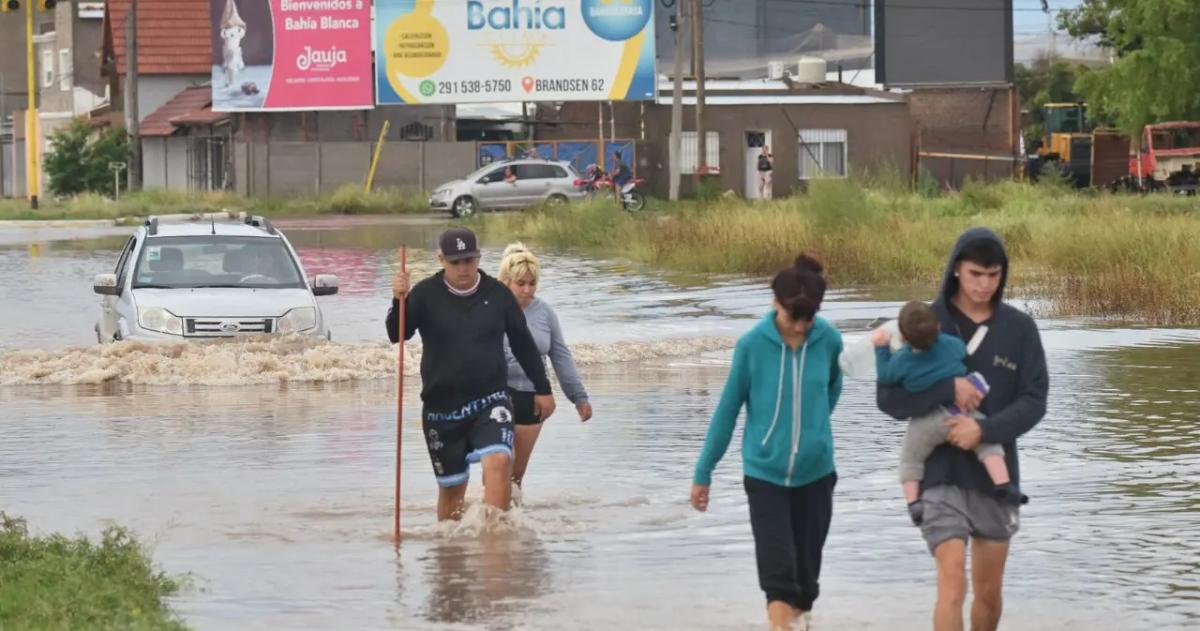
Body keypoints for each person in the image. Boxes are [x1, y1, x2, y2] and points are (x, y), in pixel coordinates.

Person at [876, 227, 1048, 631]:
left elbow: (1035, 400)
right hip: (939, 476)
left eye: (993, 275)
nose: (984, 285)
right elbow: (889, 401)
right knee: (952, 583)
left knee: (987, 595)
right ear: (956, 270)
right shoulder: (922, 321)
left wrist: (984, 432)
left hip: (995, 477)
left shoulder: (1020, 329)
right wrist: (945, 388)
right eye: (975, 274)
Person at [691, 254, 844, 631]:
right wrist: (703, 471)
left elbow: (831, 393)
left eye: (808, 319)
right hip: (765, 475)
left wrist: (813, 433)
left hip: (817, 474)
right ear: (775, 303)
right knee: (778, 578)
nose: (800, 328)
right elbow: (727, 411)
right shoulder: (751, 346)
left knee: (806, 584)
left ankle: (799, 620)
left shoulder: (829, 341)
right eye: (794, 317)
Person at [386, 227, 556, 521]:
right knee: (452, 496)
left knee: (500, 460)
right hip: (442, 408)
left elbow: (523, 343)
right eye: (456, 262)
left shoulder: (498, 294)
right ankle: (451, 554)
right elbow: (396, 334)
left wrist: (543, 388)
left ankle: (496, 541)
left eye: (469, 260)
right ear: (441, 259)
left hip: (490, 400)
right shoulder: (425, 294)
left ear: (479, 258)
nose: (463, 268)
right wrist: (399, 299)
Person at [873, 300, 1023, 528]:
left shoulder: (901, 361)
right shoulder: (952, 345)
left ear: (903, 337)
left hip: (926, 421)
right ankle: (1003, 484)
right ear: (939, 328)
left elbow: (885, 376)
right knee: (988, 445)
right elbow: (964, 352)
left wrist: (881, 349)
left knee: (910, 460)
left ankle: (913, 503)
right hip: (962, 412)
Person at [496, 243, 593, 489]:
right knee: (498, 467)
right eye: (521, 284)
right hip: (496, 395)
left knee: (516, 475)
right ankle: (487, 521)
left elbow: (560, 355)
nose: (527, 290)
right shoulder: (491, 309)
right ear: (506, 280)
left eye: (532, 283)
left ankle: (513, 523)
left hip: (532, 397)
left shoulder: (545, 313)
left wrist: (578, 396)